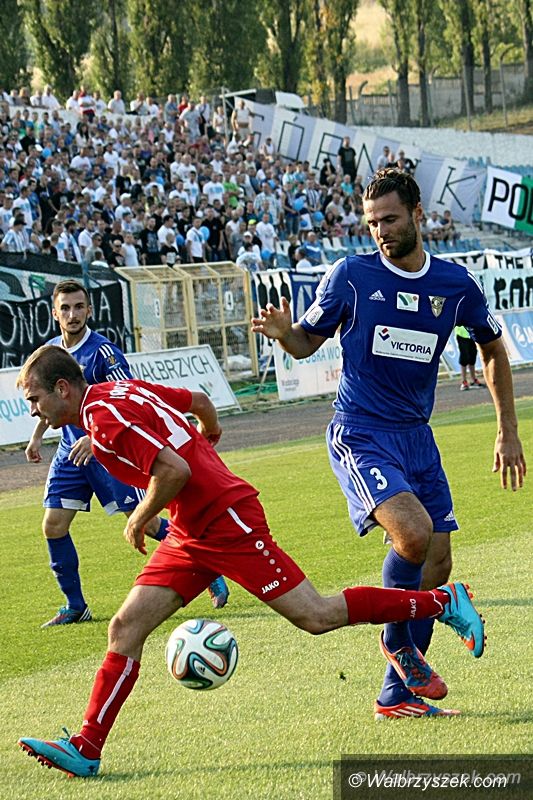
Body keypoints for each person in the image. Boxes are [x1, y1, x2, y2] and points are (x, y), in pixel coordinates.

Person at [16, 344, 487, 777]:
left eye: (35, 399)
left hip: (227, 521)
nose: (33, 410)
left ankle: (442, 602)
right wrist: (209, 440)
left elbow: (174, 470)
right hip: (191, 530)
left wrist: (140, 517)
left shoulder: (102, 419)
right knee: (125, 627)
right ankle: (87, 746)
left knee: (317, 615)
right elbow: (200, 403)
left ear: (63, 388)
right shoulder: (120, 391)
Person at [251, 169, 526, 719]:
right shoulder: (351, 276)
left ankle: (395, 696)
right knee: (413, 533)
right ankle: (397, 642)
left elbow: (493, 349)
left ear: (418, 214)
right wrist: (285, 334)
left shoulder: (455, 284)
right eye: (372, 222)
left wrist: (509, 429)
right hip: (361, 432)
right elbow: (305, 342)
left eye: (390, 219)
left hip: (417, 437)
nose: (380, 231)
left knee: (437, 563)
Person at [24, 281, 228, 628]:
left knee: (146, 522)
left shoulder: (104, 353)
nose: (73, 314)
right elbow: (46, 400)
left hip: (107, 450)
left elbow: (126, 397)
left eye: (79, 307)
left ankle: (207, 569)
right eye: (65, 308)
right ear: (55, 314)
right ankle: (75, 605)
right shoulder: (50, 354)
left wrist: (94, 439)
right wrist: (37, 437)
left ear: (89, 310)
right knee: (53, 525)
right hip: (70, 452)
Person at [455, 326, 485, 391]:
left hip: (473, 333)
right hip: (462, 334)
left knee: (473, 356)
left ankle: (474, 380)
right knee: (464, 357)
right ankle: (464, 381)